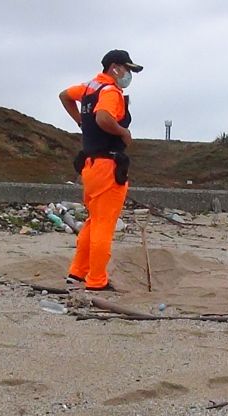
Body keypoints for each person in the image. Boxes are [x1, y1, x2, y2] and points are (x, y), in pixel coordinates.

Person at [58, 49, 143, 292]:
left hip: (90, 166)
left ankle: (77, 272)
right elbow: (104, 118)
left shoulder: (88, 87)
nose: (129, 74)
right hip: (108, 167)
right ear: (115, 67)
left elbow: (64, 95)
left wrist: (79, 121)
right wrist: (123, 132)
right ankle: (96, 280)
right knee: (104, 226)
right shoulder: (110, 92)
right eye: (128, 69)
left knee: (93, 222)